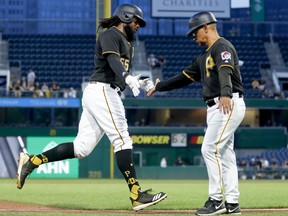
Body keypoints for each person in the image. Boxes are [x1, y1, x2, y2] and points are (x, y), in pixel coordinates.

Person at [16, 3, 166, 211]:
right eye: (136, 21)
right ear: (125, 17)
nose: (138, 25)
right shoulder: (110, 34)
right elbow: (112, 60)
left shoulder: (127, 43)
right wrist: (126, 76)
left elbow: (118, 69)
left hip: (103, 92)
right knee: (122, 139)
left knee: (81, 148)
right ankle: (137, 194)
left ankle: (32, 161)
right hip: (103, 92)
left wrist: (137, 80)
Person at [147, 11, 246, 215]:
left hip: (226, 103)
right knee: (225, 155)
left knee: (209, 149)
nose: (194, 37)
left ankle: (216, 200)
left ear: (205, 28)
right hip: (216, 106)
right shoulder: (203, 56)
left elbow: (226, 70)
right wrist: (159, 87)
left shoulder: (222, 46)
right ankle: (232, 203)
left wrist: (226, 93)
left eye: (195, 32)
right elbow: (182, 78)